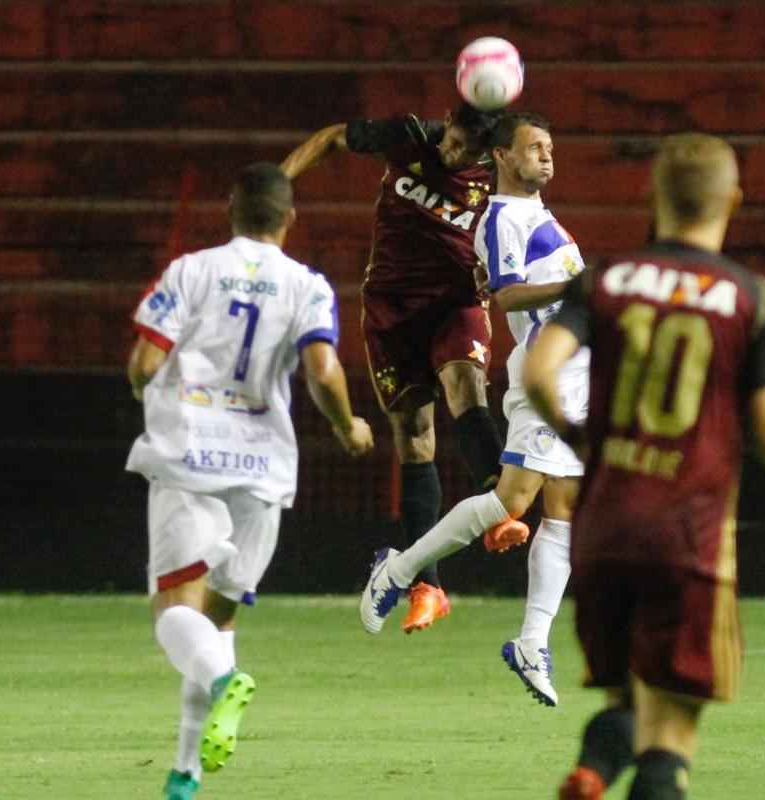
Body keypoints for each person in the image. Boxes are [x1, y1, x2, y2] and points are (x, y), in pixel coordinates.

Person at [523, 133, 765, 799]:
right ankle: (623, 774)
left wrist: (580, 438)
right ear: (733, 201)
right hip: (686, 538)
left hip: (603, 530)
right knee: (671, 735)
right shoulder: (752, 299)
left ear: (651, 194)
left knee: (626, 698)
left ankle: (593, 770)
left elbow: (539, 372)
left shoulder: (604, 279)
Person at [125, 163, 374, 800]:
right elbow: (322, 370)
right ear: (290, 219)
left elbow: (145, 362)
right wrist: (348, 426)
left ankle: (223, 685)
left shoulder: (191, 270)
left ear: (230, 212)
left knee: (175, 615)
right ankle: (186, 772)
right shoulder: (308, 286)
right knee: (219, 619)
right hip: (264, 470)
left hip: (190, 459)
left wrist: (146, 390)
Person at [359, 112, 587, 708]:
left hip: (579, 376)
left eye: (550, 146)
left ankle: (532, 642)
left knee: (564, 512)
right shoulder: (503, 217)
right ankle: (398, 571)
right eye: (534, 148)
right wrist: (576, 290)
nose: (547, 156)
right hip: (548, 376)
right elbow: (506, 295)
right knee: (512, 501)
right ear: (503, 157)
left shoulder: (539, 215)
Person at [280, 103, 507, 633]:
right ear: (446, 122)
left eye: (467, 152)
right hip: (391, 309)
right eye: (453, 142)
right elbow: (334, 135)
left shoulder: (496, 175)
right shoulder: (408, 136)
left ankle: (503, 510)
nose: (454, 155)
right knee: (415, 437)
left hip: (455, 304)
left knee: (466, 389)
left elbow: (521, 226)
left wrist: (495, 268)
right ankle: (428, 586)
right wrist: (282, 180)